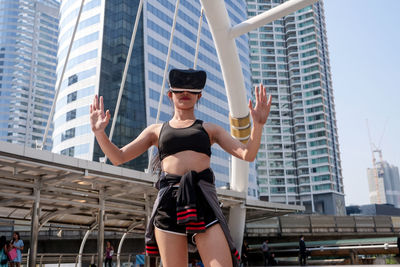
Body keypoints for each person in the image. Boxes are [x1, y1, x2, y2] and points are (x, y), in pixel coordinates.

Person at [90, 68, 271, 267]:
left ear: (199, 95)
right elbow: (118, 157)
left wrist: (258, 125)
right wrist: (100, 133)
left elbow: (247, 154)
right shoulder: (156, 130)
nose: (185, 93)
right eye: (179, 90)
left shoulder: (210, 129)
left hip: (202, 201)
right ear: (170, 94)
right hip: (169, 204)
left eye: (192, 91)